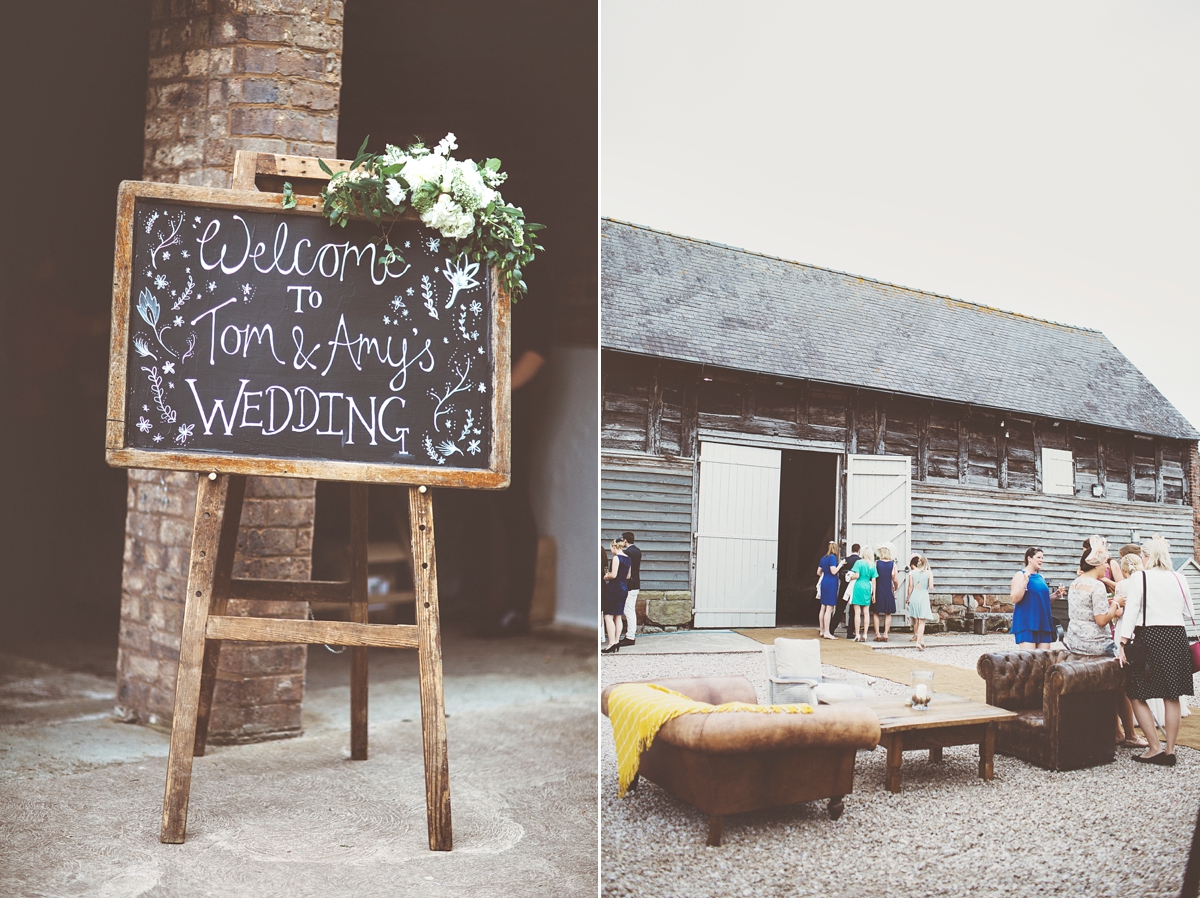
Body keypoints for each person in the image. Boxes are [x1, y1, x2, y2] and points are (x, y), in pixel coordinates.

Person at [1116, 535, 1196, 765]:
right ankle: (1170, 750)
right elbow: (1187, 610)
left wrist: (1122, 643)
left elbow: (1131, 611)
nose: (1141, 559)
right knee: (1171, 694)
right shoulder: (1180, 578)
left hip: (1150, 637)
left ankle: (1154, 748)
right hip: (1177, 637)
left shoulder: (1141, 576)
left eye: (1142, 555)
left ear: (1149, 556)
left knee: (1135, 691)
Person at [1063, 536, 1146, 746]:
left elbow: (1084, 612)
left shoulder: (1076, 583)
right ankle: (1130, 735)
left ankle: (1116, 732)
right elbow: (1101, 620)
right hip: (1097, 646)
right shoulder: (1097, 586)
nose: (1106, 567)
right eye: (1104, 564)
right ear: (1097, 564)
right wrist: (1116, 605)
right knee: (1122, 688)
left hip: (1076, 643)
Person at [1010, 547, 1059, 649]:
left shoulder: (1041, 577)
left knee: (1044, 660)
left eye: (1042, 558)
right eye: (1038, 557)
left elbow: (1041, 601)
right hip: (1027, 623)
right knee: (1029, 659)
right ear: (1029, 558)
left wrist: (1055, 595)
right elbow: (1015, 598)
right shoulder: (1020, 575)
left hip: (1043, 623)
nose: (1041, 560)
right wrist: (1024, 582)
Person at [601, 538, 631, 654]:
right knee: (618, 616)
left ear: (614, 547)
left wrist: (606, 576)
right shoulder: (628, 559)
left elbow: (613, 575)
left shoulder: (616, 558)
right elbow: (628, 576)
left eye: (611, 548)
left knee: (608, 616)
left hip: (614, 588)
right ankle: (617, 641)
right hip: (624, 588)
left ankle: (611, 643)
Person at [846, 546, 878, 643]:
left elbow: (857, 575)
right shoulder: (872, 565)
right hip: (867, 588)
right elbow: (874, 581)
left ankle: (857, 634)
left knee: (857, 612)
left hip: (858, 586)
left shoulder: (858, 563)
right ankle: (865, 634)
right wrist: (874, 594)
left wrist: (850, 578)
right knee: (866, 612)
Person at [906, 555, 934, 651]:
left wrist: (908, 597)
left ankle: (921, 640)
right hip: (923, 596)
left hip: (914, 596)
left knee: (917, 619)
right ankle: (918, 642)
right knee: (922, 621)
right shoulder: (929, 573)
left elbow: (910, 586)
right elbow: (931, 587)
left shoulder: (912, 572)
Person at [618, 531, 642, 647]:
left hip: (630, 584)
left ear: (625, 540)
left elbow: (628, 569)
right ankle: (631, 634)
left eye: (622, 540)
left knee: (628, 610)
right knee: (631, 609)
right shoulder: (637, 551)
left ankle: (630, 636)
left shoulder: (627, 552)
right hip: (637, 583)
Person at [872, 543, 899, 642]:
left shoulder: (876, 563)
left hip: (878, 589)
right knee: (888, 613)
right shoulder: (893, 564)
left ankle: (877, 634)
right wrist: (895, 587)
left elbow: (873, 579)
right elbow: (895, 579)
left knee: (876, 612)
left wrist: (873, 594)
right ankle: (886, 634)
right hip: (888, 589)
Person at [834, 543, 861, 636]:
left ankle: (831, 629)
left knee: (840, 608)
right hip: (855, 587)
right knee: (853, 610)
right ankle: (850, 632)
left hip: (844, 586)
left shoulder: (846, 560)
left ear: (851, 550)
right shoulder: (860, 561)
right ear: (859, 550)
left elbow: (840, 574)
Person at [816, 542, 842, 639]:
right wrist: (841, 565)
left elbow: (818, 572)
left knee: (823, 607)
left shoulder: (823, 558)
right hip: (831, 583)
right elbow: (834, 571)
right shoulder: (832, 558)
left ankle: (822, 630)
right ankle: (827, 632)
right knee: (829, 608)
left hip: (824, 582)